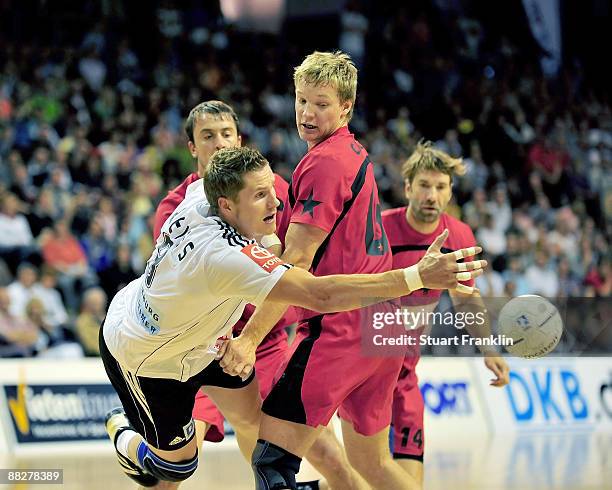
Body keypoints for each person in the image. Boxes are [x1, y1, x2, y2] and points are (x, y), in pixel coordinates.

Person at [103, 146, 485, 488]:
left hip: (206, 343)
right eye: (260, 195)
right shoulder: (226, 258)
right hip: (147, 354)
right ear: (227, 206)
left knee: (264, 425)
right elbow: (321, 293)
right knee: (175, 470)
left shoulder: (198, 194)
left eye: (272, 188)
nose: (277, 202)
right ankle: (122, 429)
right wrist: (417, 276)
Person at [219, 51, 482, 490]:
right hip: (383, 330)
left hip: (340, 332)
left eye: (321, 103)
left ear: (345, 107)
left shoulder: (322, 162)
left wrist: (249, 339)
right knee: (372, 464)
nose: (307, 112)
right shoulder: (353, 152)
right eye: (301, 100)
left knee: (271, 462)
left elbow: (297, 262)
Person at [152, 100, 365, 490]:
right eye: (208, 136)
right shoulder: (175, 208)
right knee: (172, 470)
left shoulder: (273, 189)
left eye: (226, 134)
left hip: (262, 343)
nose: (219, 143)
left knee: (325, 455)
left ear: (239, 139)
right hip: (199, 351)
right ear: (192, 148)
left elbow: (299, 255)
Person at [381, 141, 510, 484]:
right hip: (369, 371)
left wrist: (488, 349)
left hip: (406, 375)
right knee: (363, 477)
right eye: (424, 185)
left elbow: (466, 299)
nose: (431, 195)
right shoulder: (380, 230)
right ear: (408, 187)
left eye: (440, 187)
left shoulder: (460, 235)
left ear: (450, 191)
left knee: (408, 482)